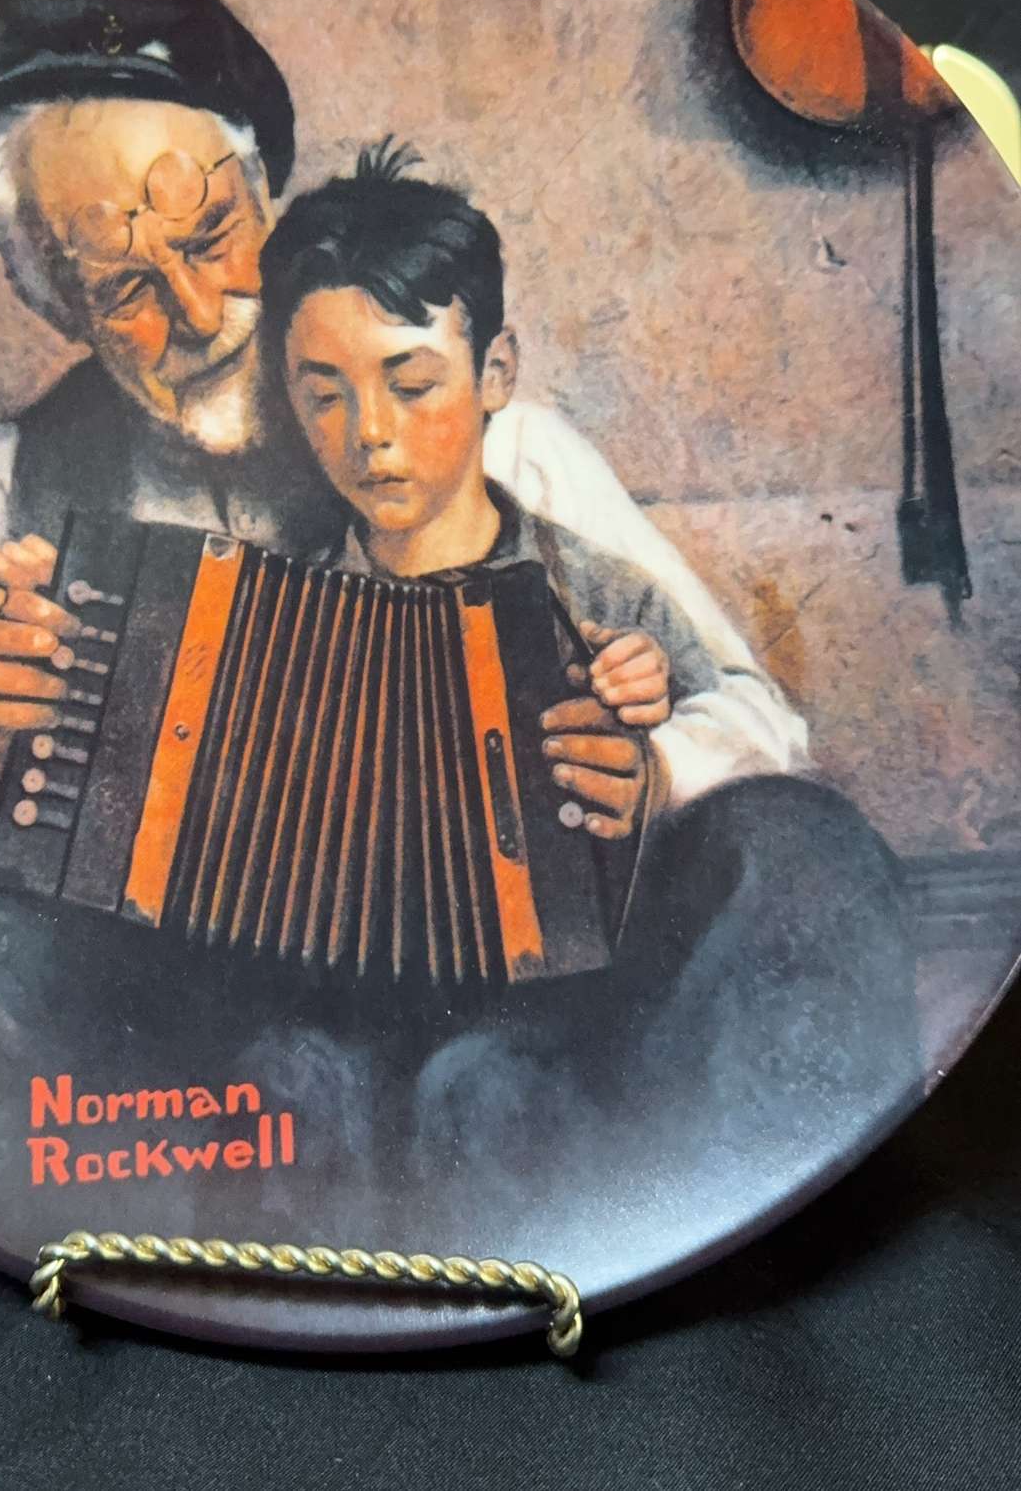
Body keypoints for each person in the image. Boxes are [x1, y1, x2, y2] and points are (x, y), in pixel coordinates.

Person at [0, 0, 828, 1259]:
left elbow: (761, 729)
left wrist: (649, 766)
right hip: (164, 1018)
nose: (198, 312)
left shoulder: (485, 437)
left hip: (488, 994)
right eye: (120, 284)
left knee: (779, 860)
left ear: (265, 197)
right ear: (51, 298)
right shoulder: (6, 493)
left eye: (211, 236)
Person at [255, 149, 923, 1236]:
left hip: (567, 996)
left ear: (495, 372)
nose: (367, 432)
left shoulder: (595, 588)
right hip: (356, 1001)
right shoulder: (272, 614)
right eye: (321, 395)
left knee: (501, 1089)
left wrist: (651, 766)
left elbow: (753, 730)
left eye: (411, 385)